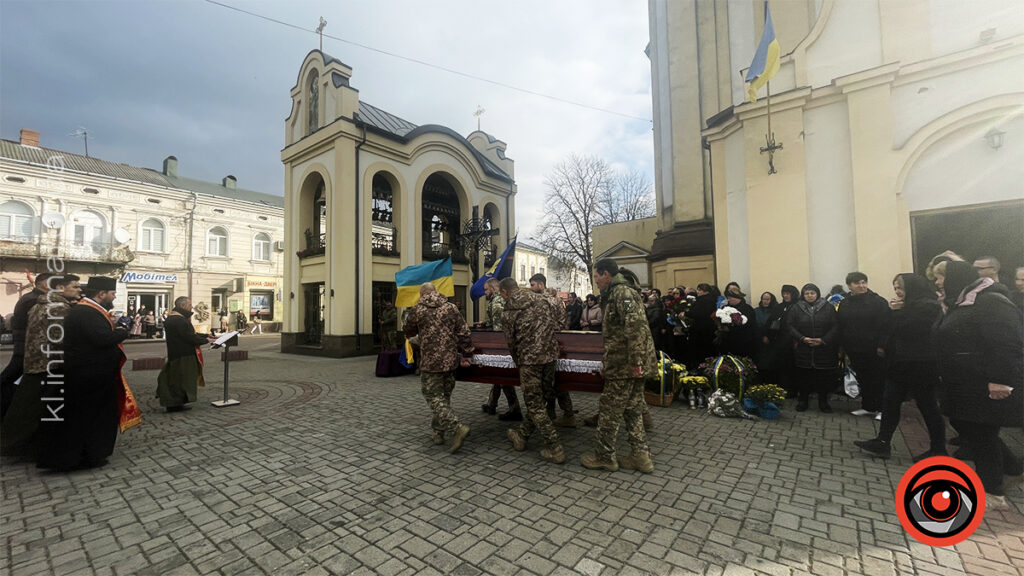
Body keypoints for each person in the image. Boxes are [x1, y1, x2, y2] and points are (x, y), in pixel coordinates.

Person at [934, 261, 1022, 508]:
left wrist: (1000, 380)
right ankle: (1013, 467)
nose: (938, 283)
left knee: (982, 433)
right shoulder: (962, 302)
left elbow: (1007, 342)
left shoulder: (990, 301)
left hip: (982, 381)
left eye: (940, 277)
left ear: (954, 278)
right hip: (963, 381)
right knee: (966, 425)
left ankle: (992, 491)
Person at [37, 276, 130, 471]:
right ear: (101, 294)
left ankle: (89, 454)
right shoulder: (86, 312)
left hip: (92, 375)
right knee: (88, 418)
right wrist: (122, 331)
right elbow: (101, 338)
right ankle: (86, 456)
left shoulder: (87, 310)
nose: (114, 297)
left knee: (88, 417)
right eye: (112, 293)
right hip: (89, 377)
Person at [854, 273, 946, 460]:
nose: (898, 291)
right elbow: (890, 328)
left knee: (928, 406)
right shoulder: (907, 306)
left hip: (921, 364)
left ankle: (938, 448)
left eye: (901, 287)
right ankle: (882, 441)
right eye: (895, 287)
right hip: (900, 363)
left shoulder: (928, 306)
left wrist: (898, 312)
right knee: (890, 402)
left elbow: (910, 330)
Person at [580, 259, 656, 474]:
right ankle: (641, 457)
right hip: (625, 361)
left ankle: (604, 457)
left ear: (606, 274)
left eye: (596, 277)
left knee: (609, 410)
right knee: (632, 409)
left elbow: (636, 329)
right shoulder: (617, 293)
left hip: (626, 364)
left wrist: (636, 362)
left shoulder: (621, 293)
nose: (596, 282)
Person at [1, 275, 80, 459]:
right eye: (75, 286)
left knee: (27, 406)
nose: (79, 289)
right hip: (50, 365)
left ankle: (12, 443)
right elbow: (61, 340)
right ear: (60, 287)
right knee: (42, 410)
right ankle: (30, 447)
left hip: (34, 362)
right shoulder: (60, 309)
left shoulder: (39, 304)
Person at [403, 282, 474, 453]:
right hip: (450, 361)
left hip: (430, 362)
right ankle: (438, 432)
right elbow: (464, 332)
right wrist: (467, 354)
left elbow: (408, 332)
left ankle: (456, 428)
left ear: (422, 294)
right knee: (443, 398)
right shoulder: (451, 307)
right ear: (436, 292)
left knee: (433, 396)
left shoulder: (417, 309)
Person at [500, 278, 565, 464]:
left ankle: (555, 447)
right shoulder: (540, 299)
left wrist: (517, 361)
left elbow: (511, 342)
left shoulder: (509, 310)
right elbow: (554, 324)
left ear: (505, 292)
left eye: (501, 294)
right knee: (542, 398)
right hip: (550, 356)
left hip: (530, 361)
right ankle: (521, 436)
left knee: (535, 405)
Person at [836, 272, 890, 416]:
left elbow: (886, 326)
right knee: (863, 377)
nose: (861, 286)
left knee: (877, 378)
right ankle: (868, 406)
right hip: (854, 348)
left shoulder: (878, 302)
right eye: (857, 283)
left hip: (873, 348)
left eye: (863, 282)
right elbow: (841, 324)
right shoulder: (845, 302)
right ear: (849, 286)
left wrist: (882, 345)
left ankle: (882, 409)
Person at [1, 273, 53, 420]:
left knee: (14, 378)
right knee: (12, 378)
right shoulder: (35, 300)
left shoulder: (30, 298)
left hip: (26, 345)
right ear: (45, 285)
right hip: (27, 347)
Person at [530, 274, 574, 427]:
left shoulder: (544, 301)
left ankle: (551, 412)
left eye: (533, 284)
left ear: (541, 285)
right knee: (558, 381)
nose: (531, 288)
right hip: (557, 344)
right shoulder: (557, 300)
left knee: (548, 383)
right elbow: (563, 322)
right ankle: (566, 412)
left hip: (545, 346)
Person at [787, 283, 839, 413]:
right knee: (804, 377)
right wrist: (802, 338)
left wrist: (823, 340)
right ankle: (803, 401)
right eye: (806, 293)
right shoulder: (796, 308)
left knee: (823, 378)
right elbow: (790, 325)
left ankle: (823, 402)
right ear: (803, 295)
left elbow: (835, 326)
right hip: (804, 348)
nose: (809, 296)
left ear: (817, 294)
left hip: (823, 348)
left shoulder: (828, 307)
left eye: (812, 293)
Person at [157, 297, 214, 412]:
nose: (191, 307)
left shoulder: (174, 319)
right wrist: (207, 340)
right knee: (182, 380)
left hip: (177, 353)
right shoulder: (179, 320)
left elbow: (189, 333)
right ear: (182, 306)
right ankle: (175, 404)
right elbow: (189, 337)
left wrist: (205, 336)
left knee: (179, 378)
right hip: (183, 354)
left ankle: (178, 403)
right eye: (189, 305)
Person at [480, 278, 522, 420]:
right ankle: (492, 403)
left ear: (493, 288)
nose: (485, 292)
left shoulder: (497, 302)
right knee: (498, 375)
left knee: (502, 375)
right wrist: (485, 323)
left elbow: (499, 328)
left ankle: (514, 408)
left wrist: (498, 349)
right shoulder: (499, 300)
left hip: (502, 345)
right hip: (508, 343)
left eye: (486, 289)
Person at [762, 285, 799, 394]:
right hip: (778, 341)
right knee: (779, 366)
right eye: (784, 293)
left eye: (788, 293)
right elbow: (770, 322)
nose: (785, 296)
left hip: (792, 341)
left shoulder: (798, 306)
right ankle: (780, 387)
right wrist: (766, 335)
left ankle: (792, 390)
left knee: (791, 366)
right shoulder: (779, 306)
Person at [685, 283, 719, 367]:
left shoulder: (704, 301)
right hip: (704, 328)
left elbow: (698, 313)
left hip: (702, 329)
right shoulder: (706, 300)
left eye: (700, 290)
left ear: (705, 291)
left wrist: (686, 313)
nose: (698, 292)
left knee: (701, 350)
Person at [718, 286, 757, 358]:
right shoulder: (725, 308)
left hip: (742, 342)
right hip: (727, 342)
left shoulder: (747, 309)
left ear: (737, 298)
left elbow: (749, 325)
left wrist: (731, 328)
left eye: (730, 298)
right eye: (727, 298)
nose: (728, 300)